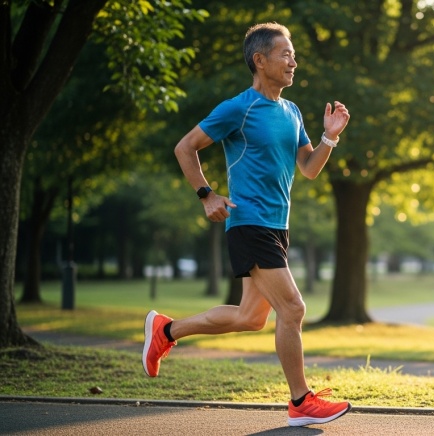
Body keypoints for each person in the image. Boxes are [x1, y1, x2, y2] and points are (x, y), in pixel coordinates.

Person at [142, 22, 351, 427]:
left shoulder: (291, 111)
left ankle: (165, 331)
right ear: (259, 60)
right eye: (285, 54)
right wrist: (207, 195)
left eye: (293, 54)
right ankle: (300, 402)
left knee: (250, 317)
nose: (294, 61)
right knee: (293, 308)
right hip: (249, 222)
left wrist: (329, 139)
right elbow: (185, 147)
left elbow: (307, 169)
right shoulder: (239, 107)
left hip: (276, 226)